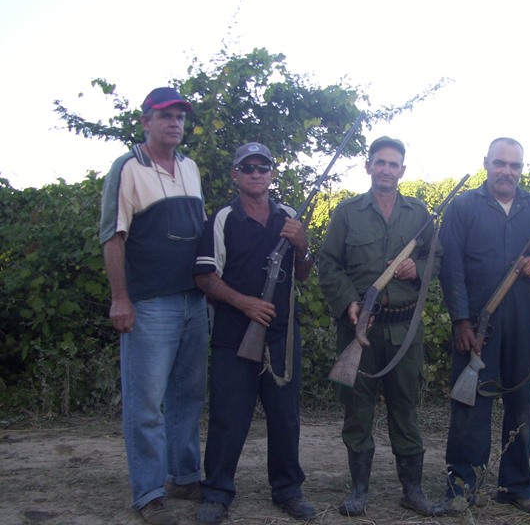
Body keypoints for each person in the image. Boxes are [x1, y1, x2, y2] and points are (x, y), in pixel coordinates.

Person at [317, 136, 444, 517]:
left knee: (406, 408)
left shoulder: (419, 213)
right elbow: (328, 265)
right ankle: (359, 490)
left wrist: (417, 269)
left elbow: (436, 259)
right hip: (359, 328)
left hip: (404, 331)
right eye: (380, 162)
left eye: (394, 164)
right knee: (357, 411)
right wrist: (348, 303)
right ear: (368, 166)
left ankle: (413, 491)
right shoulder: (346, 213)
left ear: (402, 171)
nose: (386, 170)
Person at [439, 137, 530, 515]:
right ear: (486, 164)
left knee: (522, 404)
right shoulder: (463, 207)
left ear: (521, 170)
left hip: (524, 322)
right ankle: (461, 486)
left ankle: (515, 486)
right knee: (470, 405)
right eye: (500, 163)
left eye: (515, 166)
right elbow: (451, 270)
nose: (507, 172)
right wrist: (461, 321)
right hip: (476, 323)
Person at [192, 142, 317, 523]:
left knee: (285, 416)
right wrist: (245, 303)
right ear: (236, 175)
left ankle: (288, 490)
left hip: (281, 335)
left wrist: (301, 244)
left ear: (272, 174)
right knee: (229, 416)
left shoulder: (290, 216)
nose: (256, 173)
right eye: (248, 167)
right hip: (234, 333)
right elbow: (204, 277)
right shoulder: (223, 219)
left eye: (263, 167)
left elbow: (304, 272)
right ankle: (216, 492)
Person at [99, 87, 207, 525]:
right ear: (145, 121)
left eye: (180, 116)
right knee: (146, 404)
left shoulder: (190, 167)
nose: (175, 123)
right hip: (149, 304)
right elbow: (113, 235)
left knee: (187, 396)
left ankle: (183, 475)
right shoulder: (128, 168)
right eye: (165, 116)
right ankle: (148, 492)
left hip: (193, 300)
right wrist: (120, 298)